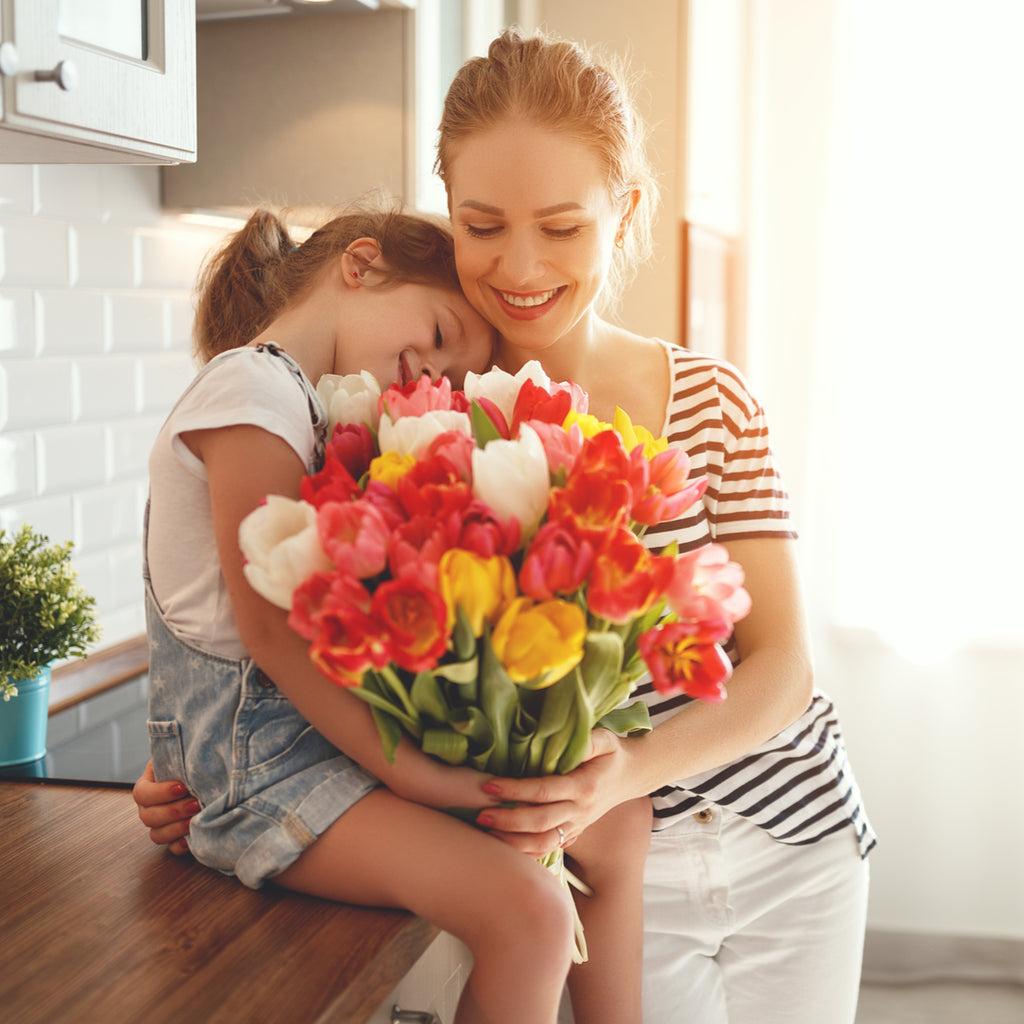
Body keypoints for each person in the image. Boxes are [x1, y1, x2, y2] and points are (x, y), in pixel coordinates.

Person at [136, 27, 877, 1024]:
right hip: (609, 864)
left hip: (791, 840)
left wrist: (625, 772)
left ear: (625, 214)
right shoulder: (392, 420)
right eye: (482, 224)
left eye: (562, 226)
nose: (519, 263)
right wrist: (192, 751)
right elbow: (312, 633)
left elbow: (782, 663)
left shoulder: (711, 399)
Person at [141, 200, 588, 1024]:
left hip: (296, 753)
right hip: (266, 769)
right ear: (361, 263)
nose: (432, 377)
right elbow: (269, 635)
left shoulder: (301, 401)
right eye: (443, 330)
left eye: (451, 376)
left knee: (569, 860)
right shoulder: (252, 385)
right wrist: (416, 776)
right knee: (532, 914)